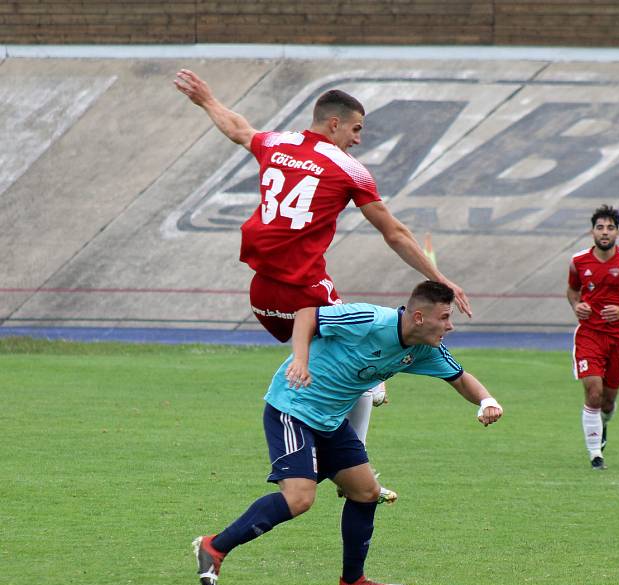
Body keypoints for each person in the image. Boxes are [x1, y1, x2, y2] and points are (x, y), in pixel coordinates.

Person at [173, 69, 472, 481]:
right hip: (305, 287)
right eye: (356, 128)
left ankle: (342, 436)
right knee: (358, 346)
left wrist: (207, 99)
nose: (358, 138)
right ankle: (358, 462)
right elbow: (395, 233)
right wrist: (442, 279)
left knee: (325, 357)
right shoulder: (349, 169)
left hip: (262, 293)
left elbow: (239, 129)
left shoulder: (277, 143)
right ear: (335, 123)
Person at [192, 281, 503, 585]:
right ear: (420, 317)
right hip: (293, 407)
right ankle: (214, 547)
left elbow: (460, 378)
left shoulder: (424, 350)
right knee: (300, 499)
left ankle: (353, 580)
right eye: (445, 317)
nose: (450, 326)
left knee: (365, 493)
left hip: (330, 421)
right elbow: (306, 316)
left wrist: (486, 401)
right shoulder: (368, 319)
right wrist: (300, 360)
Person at [566, 205, 619, 470]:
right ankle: (595, 456)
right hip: (590, 334)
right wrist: (576, 305)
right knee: (594, 392)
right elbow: (572, 290)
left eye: (610, 228)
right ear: (592, 231)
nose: (605, 232)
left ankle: (602, 424)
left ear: (618, 232)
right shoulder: (579, 261)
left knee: (608, 401)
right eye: (600, 227)